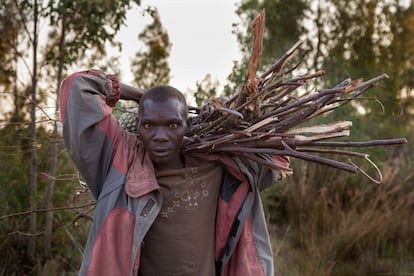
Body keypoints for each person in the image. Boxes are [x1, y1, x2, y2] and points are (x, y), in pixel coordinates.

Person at [59, 69, 289, 276]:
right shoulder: (119, 164)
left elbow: (278, 154)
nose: (160, 136)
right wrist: (142, 96)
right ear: (138, 127)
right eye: (149, 125)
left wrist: (230, 119)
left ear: (186, 126)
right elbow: (79, 86)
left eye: (172, 125)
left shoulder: (218, 164)